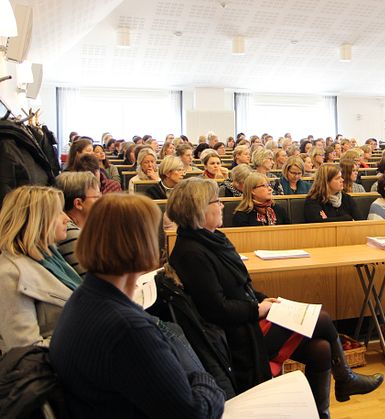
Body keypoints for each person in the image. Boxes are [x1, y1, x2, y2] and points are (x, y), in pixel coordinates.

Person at [167, 178, 382, 418]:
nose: (222, 206)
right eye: (216, 202)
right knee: (321, 319)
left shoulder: (213, 239)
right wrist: (258, 309)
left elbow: (240, 287)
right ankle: (345, 378)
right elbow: (217, 310)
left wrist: (265, 300)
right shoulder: (191, 253)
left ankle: (323, 411)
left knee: (321, 350)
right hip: (236, 336)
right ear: (199, 208)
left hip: (248, 319)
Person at [50, 193, 225, 418]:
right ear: (143, 244)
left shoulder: (84, 297)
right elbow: (194, 412)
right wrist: (205, 377)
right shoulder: (127, 328)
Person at [0, 186, 79, 352]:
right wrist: (88, 336)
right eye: (58, 213)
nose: (66, 219)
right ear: (37, 221)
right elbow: (26, 352)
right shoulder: (10, 274)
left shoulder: (50, 256)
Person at [56, 172, 101, 278]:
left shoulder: (84, 228)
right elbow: (97, 281)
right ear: (78, 204)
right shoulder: (69, 233)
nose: (101, 201)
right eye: (97, 197)